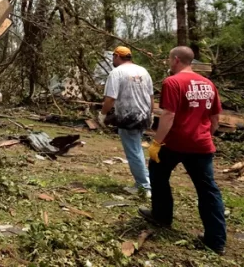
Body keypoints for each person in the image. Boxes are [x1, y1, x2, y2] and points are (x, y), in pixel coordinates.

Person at [139, 46, 226, 255]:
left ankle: (162, 216)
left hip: (175, 143)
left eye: (170, 60)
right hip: (202, 145)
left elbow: (168, 115)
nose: (169, 63)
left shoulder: (173, 82)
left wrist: (156, 143)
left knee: (158, 174)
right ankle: (216, 241)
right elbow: (215, 119)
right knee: (208, 189)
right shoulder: (208, 84)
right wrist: (205, 135)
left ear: (176, 60)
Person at [97, 46, 153, 197]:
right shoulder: (143, 71)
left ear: (117, 56)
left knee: (134, 152)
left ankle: (144, 186)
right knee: (137, 149)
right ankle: (146, 182)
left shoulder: (116, 73)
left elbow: (110, 98)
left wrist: (102, 114)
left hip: (129, 117)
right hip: (143, 115)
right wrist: (151, 113)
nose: (112, 61)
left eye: (113, 58)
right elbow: (151, 96)